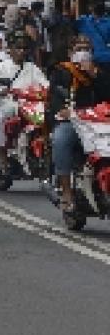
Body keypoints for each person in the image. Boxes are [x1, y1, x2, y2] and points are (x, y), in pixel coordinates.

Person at [49, 36, 110, 212]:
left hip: (101, 122)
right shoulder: (61, 71)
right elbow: (54, 97)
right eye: (79, 49)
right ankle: (67, 193)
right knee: (61, 139)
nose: (83, 53)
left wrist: (94, 75)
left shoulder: (101, 70)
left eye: (86, 49)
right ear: (70, 53)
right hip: (75, 121)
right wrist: (63, 110)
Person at [0, 35, 48, 172]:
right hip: (9, 104)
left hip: (32, 105)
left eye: (24, 48)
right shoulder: (0, 67)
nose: (21, 51)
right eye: (18, 48)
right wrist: (1, 91)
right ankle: (1, 157)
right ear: (10, 50)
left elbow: (45, 85)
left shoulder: (32, 68)